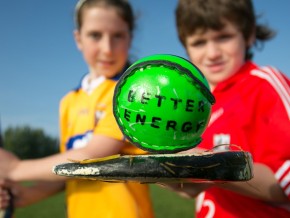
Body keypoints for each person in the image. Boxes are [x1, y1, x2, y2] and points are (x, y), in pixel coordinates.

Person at [0, 0, 154, 217]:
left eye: (118, 35)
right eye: (95, 35)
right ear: (78, 39)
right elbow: (70, 168)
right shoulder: (68, 102)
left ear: (130, 37)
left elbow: (90, 155)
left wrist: (16, 168)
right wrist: (26, 195)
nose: (107, 48)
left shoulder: (134, 94)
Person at [168, 0, 290, 217]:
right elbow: (191, 189)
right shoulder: (194, 106)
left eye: (224, 37)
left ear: (249, 34)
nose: (212, 53)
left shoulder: (265, 86)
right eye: (198, 42)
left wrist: (213, 168)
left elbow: (285, 182)